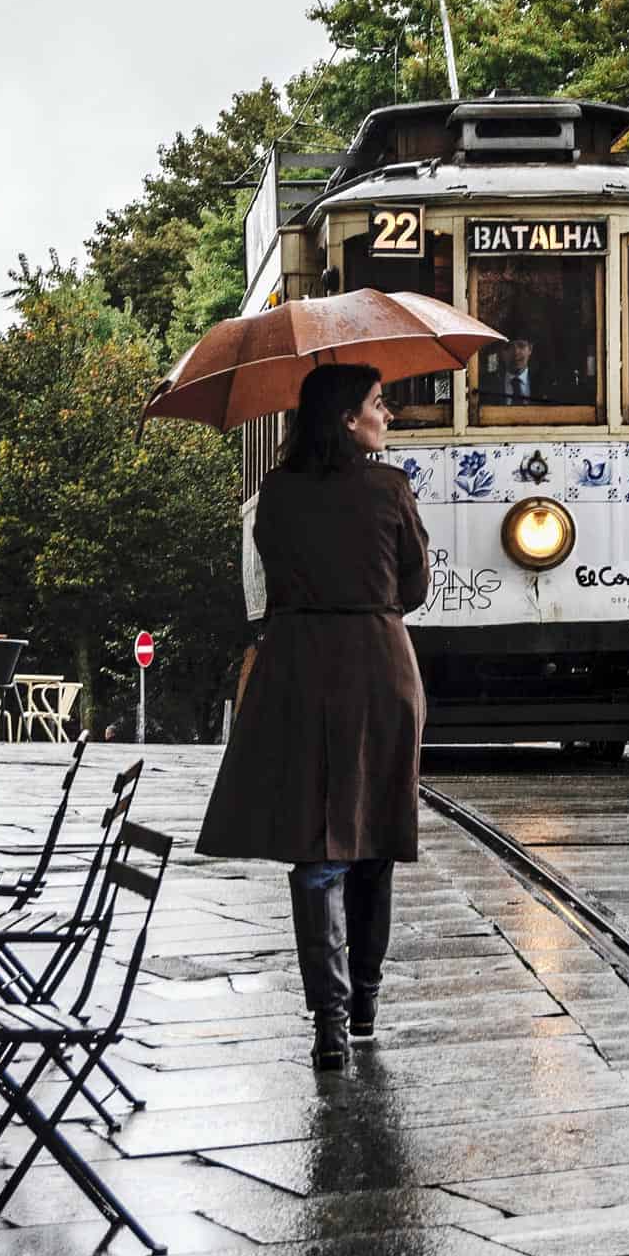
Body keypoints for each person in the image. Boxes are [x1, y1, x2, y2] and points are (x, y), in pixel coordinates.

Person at [195, 363, 430, 1070]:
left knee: (316, 851)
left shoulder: (277, 493)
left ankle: (327, 1026)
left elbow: (271, 570)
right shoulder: (389, 488)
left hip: (297, 670)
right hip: (377, 667)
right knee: (374, 841)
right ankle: (364, 999)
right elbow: (414, 586)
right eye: (378, 404)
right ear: (346, 420)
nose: (387, 415)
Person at [480, 336, 536, 404]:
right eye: (509, 347)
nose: (516, 352)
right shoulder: (487, 385)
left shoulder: (544, 383)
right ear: (501, 352)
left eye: (521, 346)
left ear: (530, 349)